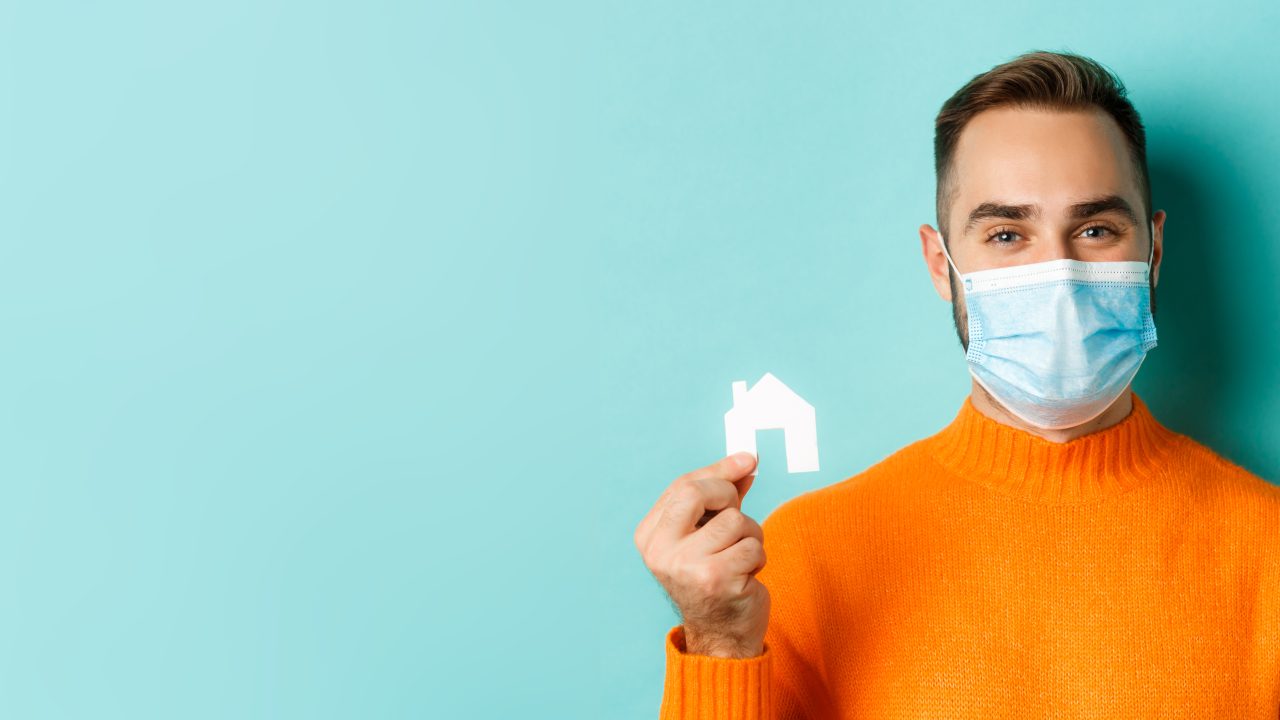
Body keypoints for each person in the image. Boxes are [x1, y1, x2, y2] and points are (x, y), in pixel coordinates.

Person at [634, 49, 1280, 717]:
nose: (1056, 273)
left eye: (1095, 229)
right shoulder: (807, 556)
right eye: (1006, 234)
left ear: (1153, 250)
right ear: (942, 265)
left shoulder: (1270, 551)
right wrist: (719, 646)